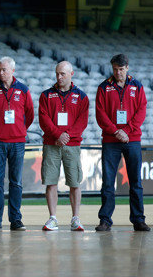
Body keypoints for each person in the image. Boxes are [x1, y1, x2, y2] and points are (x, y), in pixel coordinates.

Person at [95, 54, 149, 232]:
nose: (118, 72)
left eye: (121, 69)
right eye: (115, 69)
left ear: (127, 68)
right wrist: (116, 131)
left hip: (132, 139)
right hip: (111, 140)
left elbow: (141, 111)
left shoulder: (137, 86)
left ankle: (138, 219)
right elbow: (100, 114)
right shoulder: (104, 87)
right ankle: (105, 220)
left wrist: (126, 131)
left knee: (136, 181)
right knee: (108, 182)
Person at [0, 57, 34, 231]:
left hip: (18, 142)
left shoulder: (23, 89)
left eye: (4, 69)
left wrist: (19, 130)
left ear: (13, 70)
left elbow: (30, 114)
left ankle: (16, 220)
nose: (1, 72)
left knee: (16, 182)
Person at [39, 61, 89, 232]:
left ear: (71, 74)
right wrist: (57, 135)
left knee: (74, 182)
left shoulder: (82, 97)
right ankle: (53, 218)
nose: (59, 77)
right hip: (51, 143)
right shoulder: (46, 95)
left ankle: (75, 218)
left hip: (72, 144)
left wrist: (67, 136)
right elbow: (44, 119)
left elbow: (82, 121)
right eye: (57, 74)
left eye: (63, 74)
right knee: (51, 182)